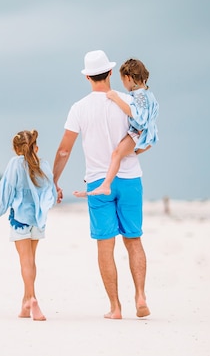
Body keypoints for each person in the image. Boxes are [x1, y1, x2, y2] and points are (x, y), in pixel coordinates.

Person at [52, 50, 151, 319]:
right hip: (130, 178)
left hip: (98, 182)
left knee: (105, 246)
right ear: (109, 73)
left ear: (87, 77)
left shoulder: (79, 108)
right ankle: (140, 295)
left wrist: (55, 180)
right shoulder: (129, 100)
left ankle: (115, 308)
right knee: (134, 240)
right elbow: (144, 136)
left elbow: (64, 150)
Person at [0, 129, 57, 321]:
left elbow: (6, 189)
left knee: (25, 261)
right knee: (32, 260)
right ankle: (26, 302)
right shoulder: (44, 165)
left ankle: (32, 298)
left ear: (16, 149)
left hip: (20, 220)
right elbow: (51, 192)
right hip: (38, 220)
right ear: (36, 147)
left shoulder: (15, 164)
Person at [74, 58, 158, 197]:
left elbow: (138, 116)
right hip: (144, 135)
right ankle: (94, 183)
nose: (123, 84)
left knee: (116, 154)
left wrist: (115, 98)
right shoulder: (147, 93)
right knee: (122, 156)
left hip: (138, 133)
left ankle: (105, 185)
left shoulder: (140, 95)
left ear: (128, 78)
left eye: (123, 80)